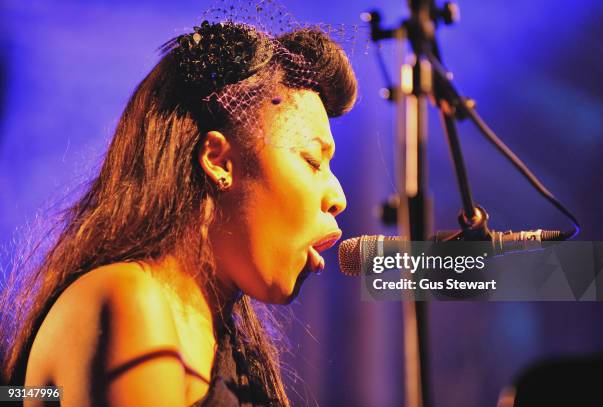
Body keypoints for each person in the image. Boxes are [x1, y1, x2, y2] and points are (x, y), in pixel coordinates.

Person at [0, 16, 357, 407]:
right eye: (312, 160)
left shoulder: (224, 341)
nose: (337, 195)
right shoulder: (130, 299)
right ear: (218, 160)